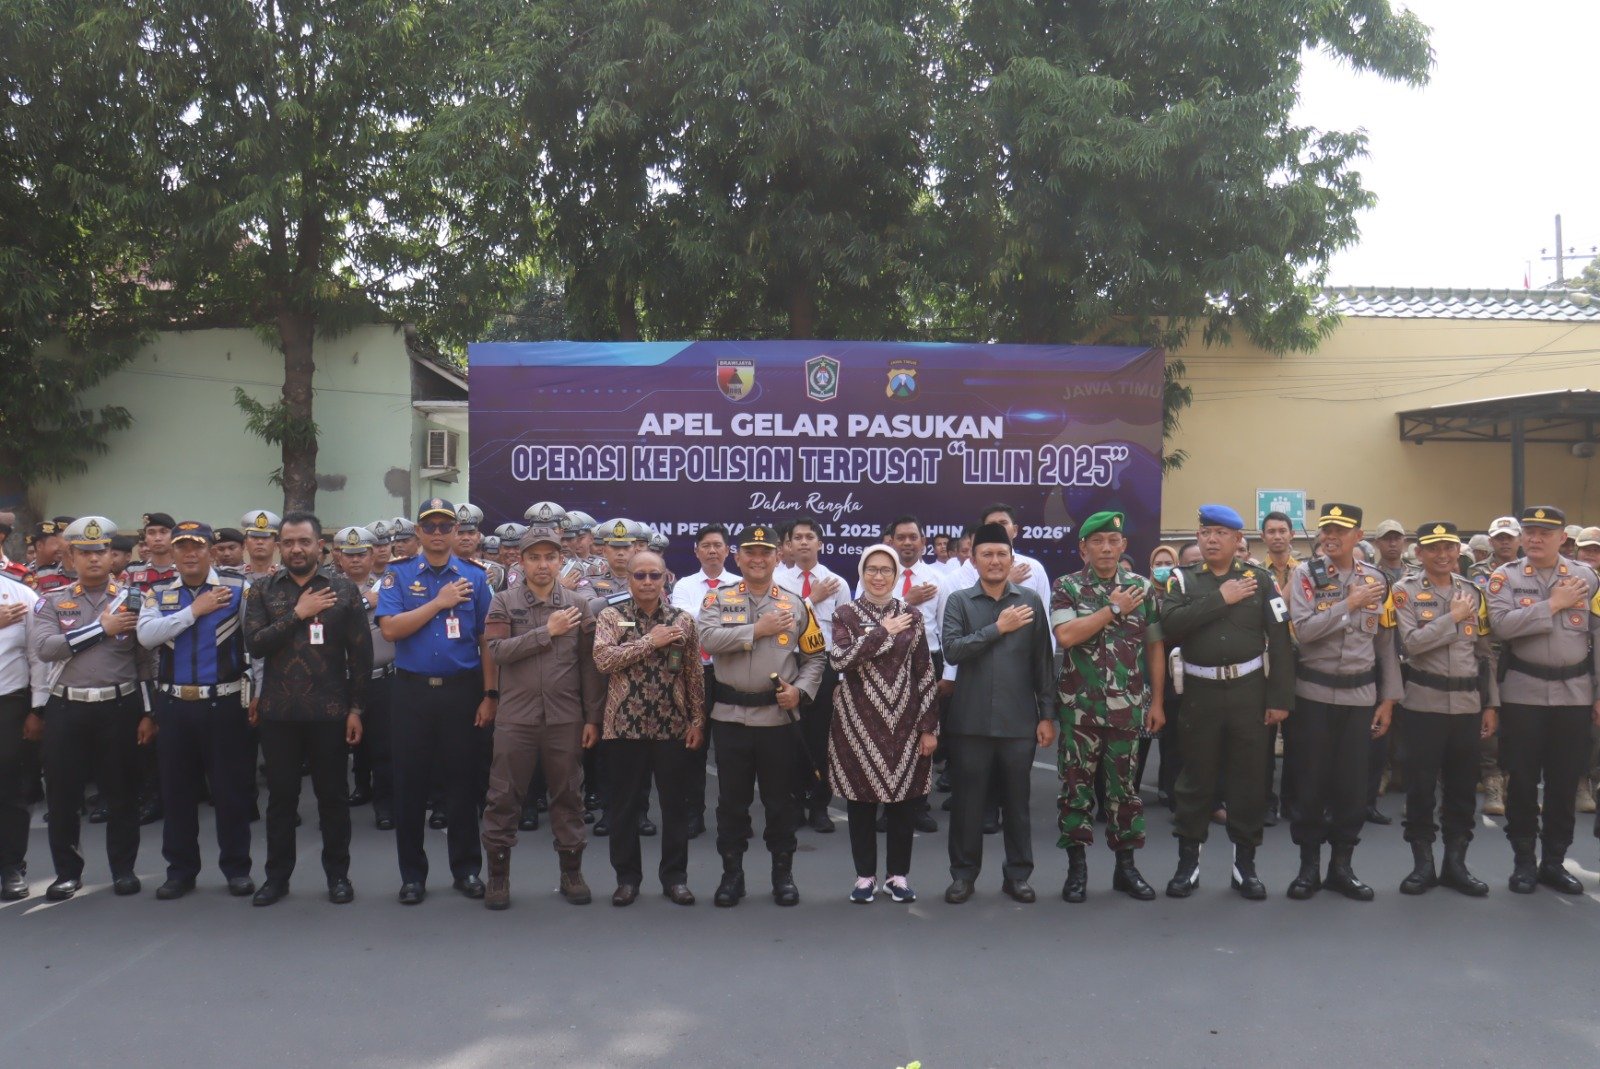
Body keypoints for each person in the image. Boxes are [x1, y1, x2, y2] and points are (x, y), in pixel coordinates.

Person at [1158, 507, 1294, 899]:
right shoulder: (1181, 581)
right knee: (1195, 780)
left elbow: (1281, 640)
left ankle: (1245, 867)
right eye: (1205, 532)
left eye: (1221, 533)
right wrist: (1221, 598)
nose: (1212, 539)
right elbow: (1170, 626)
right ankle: (1188, 865)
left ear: (1238, 541)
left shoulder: (1261, 580)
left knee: (1249, 780)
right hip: (1200, 694)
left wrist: (1279, 698)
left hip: (1248, 693)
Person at [243, 511, 370, 906]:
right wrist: (297, 613)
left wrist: (356, 709)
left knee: (333, 799)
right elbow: (255, 644)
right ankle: (276, 879)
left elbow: (360, 655)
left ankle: (338, 877)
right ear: (280, 546)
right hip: (278, 713)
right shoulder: (262, 590)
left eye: (304, 542)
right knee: (281, 801)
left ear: (320, 546)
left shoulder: (344, 589)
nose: (296, 549)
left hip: (330, 713)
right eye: (289, 542)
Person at [697, 521, 826, 908]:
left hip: (777, 720)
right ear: (738, 557)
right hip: (731, 717)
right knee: (731, 802)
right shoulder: (717, 599)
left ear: (777, 556)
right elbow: (706, 639)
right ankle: (731, 876)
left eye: (765, 552)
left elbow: (815, 657)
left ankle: (782, 874)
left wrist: (800, 691)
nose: (757, 559)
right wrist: (758, 629)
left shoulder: (797, 604)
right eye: (750, 553)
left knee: (779, 801)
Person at [28, 517, 156, 900]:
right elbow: (47, 649)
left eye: (100, 551)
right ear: (71, 555)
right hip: (68, 708)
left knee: (121, 793)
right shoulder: (51, 599)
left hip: (119, 706)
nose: (94, 559)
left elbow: (145, 661)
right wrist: (103, 628)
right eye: (84, 552)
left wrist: (150, 713)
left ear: (111, 554)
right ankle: (67, 873)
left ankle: (124, 870)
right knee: (64, 797)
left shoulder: (134, 598)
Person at [376, 498, 496, 904]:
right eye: (432, 527)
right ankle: (413, 876)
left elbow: (485, 640)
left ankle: (466, 870)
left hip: (462, 690)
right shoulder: (398, 575)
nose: (440, 533)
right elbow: (391, 630)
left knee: (463, 784)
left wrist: (489, 693)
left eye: (447, 526)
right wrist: (439, 603)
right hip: (411, 692)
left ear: (457, 532)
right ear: (420, 533)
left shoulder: (476, 577)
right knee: (409, 786)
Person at [481, 524, 605, 909]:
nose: (542, 564)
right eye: (534, 557)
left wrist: (591, 718)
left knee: (568, 796)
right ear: (522, 560)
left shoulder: (578, 604)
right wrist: (546, 632)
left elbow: (588, 665)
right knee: (503, 797)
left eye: (550, 556)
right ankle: (498, 878)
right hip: (516, 718)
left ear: (560, 559)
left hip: (565, 717)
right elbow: (497, 651)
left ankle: (572, 873)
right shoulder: (503, 602)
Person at [1285, 503, 1401, 901]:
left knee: (1353, 786)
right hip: (1314, 695)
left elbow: (1386, 645)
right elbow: (1302, 631)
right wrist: (1347, 605)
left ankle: (1342, 866)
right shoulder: (1306, 574)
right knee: (1311, 781)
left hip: (1360, 696)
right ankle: (1308, 867)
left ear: (1358, 536)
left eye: (1340, 529)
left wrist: (1388, 700)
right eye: (1326, 529)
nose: (1331, 535)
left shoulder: (1377, 580)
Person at [136, 521, 255, 899]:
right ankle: (180, 871)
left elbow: (256, 642)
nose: (190, 554)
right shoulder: (157, 592)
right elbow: (146, 636)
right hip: (173, 705)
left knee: (231, 792)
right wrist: (195, 611)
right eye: (182, 547)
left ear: (210, 551)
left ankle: (237, 868)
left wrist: (259, 694)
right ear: (171, 552)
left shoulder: (238, 588)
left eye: (197, 547)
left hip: (224, 703)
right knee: (177, 792)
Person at [1051, 512, 1164, 903]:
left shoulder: (1142, 588)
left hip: (1127, 709)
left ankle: (1126, 869)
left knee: (1125, 792)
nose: (1105, 548)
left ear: (1123, 546)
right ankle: (1076, 870)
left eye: (1112, 540)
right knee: (1075, 791)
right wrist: (1112, 610)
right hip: (1079, 711)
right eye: (1096, 541)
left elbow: (1154, 647)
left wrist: (1158, 701)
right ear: (1083, 548)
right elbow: (1066, 636)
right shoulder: (1067, 587)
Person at [1486, 505, 1599, 895]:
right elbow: (1501, 626)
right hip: (1524, 692)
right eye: (1529, 531)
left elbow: (1597, 638)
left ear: (1563, 537)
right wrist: (1553, 604)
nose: (1534, 538)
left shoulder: (1587, 578)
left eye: (1544, 532)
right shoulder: (1505, 577)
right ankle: (1523, 861)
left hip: (1575, 694)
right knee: (1521, 779)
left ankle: (1554, 860)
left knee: (1565, 781)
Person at [941, 522, 1056, 904]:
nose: (994, 561)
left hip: (1018, 722)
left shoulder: (1030, 602)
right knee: (967, 805)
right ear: (973, 560)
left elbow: (1043, 662)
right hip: (969, 721)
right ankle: (963, 875)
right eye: (986, 554)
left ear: (1011, 559)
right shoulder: (959, 601)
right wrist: (998, 628)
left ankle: (1018, 876)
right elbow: (953, 650)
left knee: (1017, 804)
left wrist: (1046, 715)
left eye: (1001, 554)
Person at [1388, 522, 1496, 896]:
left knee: (1463, 788)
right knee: (1420, 787)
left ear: (1458, 551)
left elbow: (1485, 655)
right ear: (1419, 553)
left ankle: (1456, 863)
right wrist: (1452, 618)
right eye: (1434, 548)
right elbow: (1411, 644)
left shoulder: (1473, 592)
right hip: (1424, 704)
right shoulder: (1404, 592)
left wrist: (1491, 704)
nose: (1443, 555)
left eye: (1449, 547)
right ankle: (1422, 864)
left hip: (1467, 704)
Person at [592, 549, 706, 906]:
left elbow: (694, 673)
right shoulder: (611, 615)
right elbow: (603, 659)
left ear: (665, 578)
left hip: (672, 725)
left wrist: (698, 719)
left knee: (674, 806)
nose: (646, 582)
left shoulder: (683, 620)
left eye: (653, 575)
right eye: (639, 575)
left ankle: (675, 878)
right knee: (623, 808)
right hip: (623, 725)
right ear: (628, 579)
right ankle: (627, 879)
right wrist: (649, 642)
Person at [828, 544, 938, 904]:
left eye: (885, 570)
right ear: (862, 573)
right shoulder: (845, 613)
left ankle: (898, 876)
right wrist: (882, 632)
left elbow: (924, 672)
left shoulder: (913, 615)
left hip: (905, 724)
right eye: (872, 569)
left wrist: (928, 727)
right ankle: (864, 878)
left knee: (903, 803)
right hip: (856, 723)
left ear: (895, 575)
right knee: (861, 801)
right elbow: (841, 660)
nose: (878, 576)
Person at [867, 514, 948, 834]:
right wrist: (906, 601)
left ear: (923, 542)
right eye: (901, 537)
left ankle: (919, 804)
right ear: (891, 542)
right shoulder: (876, 576)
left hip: (928, 660)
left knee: (925, 734)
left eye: (913, 537)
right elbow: (870, 624)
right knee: (889, 735)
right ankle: (888, 806)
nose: (907, 543)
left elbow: (944, 626)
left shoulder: (937, 578)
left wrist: (948, 673)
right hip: (887, 661)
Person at [774, 515, 850, 833]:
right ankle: (792, 804)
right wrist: (811, 600)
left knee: (821, 740)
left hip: (826, 666)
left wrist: (843, 680)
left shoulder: (838, 582)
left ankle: (819, 805)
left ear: (820, 543)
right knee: (789, 739)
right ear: (788, 545)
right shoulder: (778, 581)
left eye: (810, 537)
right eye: (798, 537)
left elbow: (847, 634)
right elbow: (779, 621)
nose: (804, 542)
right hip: (789, 664)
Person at [670, 523, 739, 838]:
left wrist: (716, 621)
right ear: (696, 551)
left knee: (731, 752)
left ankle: (734, 817)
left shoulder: (741, 584)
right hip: (695, 673)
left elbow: (740, 626)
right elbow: (685, 624)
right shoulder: (684, 586)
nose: (712, 550)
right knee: (693, 749)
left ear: (728, 551)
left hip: (729, 674)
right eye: (706, 545)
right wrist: (723, 618)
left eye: (718, 545)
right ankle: (693, 814)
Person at [336, 527, 396, 829]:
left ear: (373, 555)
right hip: (342, 679)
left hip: (381, 677)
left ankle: (385, 804)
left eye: (361, 554)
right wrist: (364, 603)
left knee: (383, 743)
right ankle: (361, 786)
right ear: (339, 557)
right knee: (346, 743)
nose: (356, 560)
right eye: (349, 555)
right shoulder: (329, 587)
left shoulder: (390, 584)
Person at [0, 553, 41, 899]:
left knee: (9, 787)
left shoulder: (20, 595)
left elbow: (36, 655)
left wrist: (37, 708)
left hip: (9, 702)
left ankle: (12, 865)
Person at [239, 510, 282, 583]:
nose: (260, 542)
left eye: (265, 538)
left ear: (275, 545)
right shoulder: (236, 576)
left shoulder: (284, 576)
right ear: (245, 543)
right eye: (254, 537)